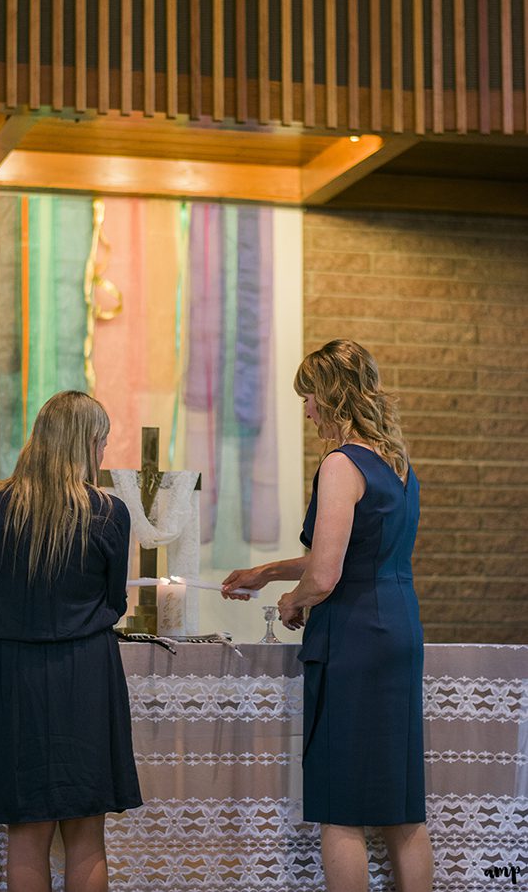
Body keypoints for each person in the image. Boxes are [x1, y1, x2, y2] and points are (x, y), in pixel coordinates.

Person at [221, 339, 432, 892]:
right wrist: (268, 571)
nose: (307, 409)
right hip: (397, 626)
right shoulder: (396, 462)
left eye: (309, 397)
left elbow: (326, 573)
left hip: (355, 636)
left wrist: (293, 600)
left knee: (343, 806)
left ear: (332, 396)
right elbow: (356, 550)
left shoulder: (342, 463)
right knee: (401, 806)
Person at [0, 390, 142, 892]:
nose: (104, 453)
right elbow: (115, 601)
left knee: (26, 830)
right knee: (86, 831)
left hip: (16, 673)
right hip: (86, 671)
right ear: (87, 442)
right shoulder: (108, 512)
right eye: (103, 442)